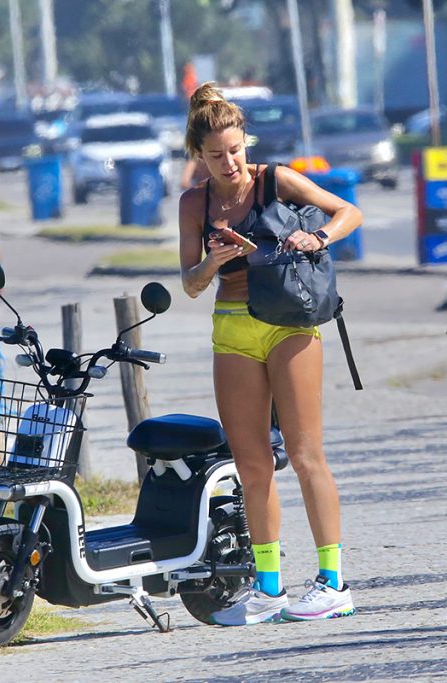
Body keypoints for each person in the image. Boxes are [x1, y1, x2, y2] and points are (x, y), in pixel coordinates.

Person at [177, 83, 363, 626]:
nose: (230, 162)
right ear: (199, 155)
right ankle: (268, 588)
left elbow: (347, 211)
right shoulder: (194, 203)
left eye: (236, 150)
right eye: (216, 155)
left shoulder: (274, 179)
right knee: (252, 464)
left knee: (305, 454)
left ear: (245, 143)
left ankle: (333, 583)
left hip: (288, 323)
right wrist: (213, 260)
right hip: (232, 329)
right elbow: (190, 283)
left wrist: (319, 238)